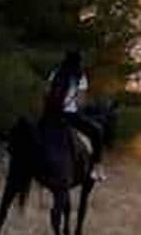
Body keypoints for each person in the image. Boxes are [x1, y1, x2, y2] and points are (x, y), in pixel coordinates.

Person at [44, 49, 106, 181]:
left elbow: (46, 92)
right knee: (97, 131)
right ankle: (97, 168)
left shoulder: (55, 72)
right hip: (69, 117)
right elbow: (80, 103)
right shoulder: (80, 77)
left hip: (50, 116)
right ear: (79, 62)